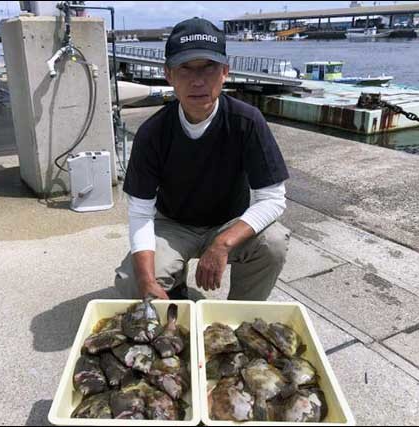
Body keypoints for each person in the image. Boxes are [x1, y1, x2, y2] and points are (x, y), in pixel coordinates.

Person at [114, 17, 290, 300]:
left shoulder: (247, 121)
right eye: (185, 68)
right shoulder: (153, 133)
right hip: (172, 224)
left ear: (225, 72)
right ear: (168, 75)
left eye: (208, 67)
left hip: (229, 221)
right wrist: (146, 280)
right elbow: (140, 212)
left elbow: (273, 198)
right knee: (131, 285)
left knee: (274, 243)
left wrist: (223, 243)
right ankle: (174, 287)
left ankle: (240, 315)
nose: (197, 81)